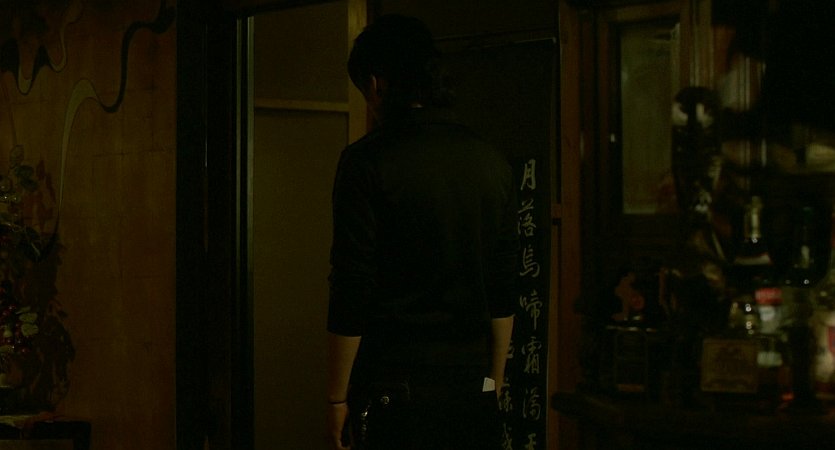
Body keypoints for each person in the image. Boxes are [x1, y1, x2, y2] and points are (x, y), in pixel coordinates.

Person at [326, 14, 518, 450]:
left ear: (376, 84)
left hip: (394, 389)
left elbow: (352, 283)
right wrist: (494, 384)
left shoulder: (366, 163)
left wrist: (336, 398)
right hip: (471, 388)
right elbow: (503, 284)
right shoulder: (491, 161)